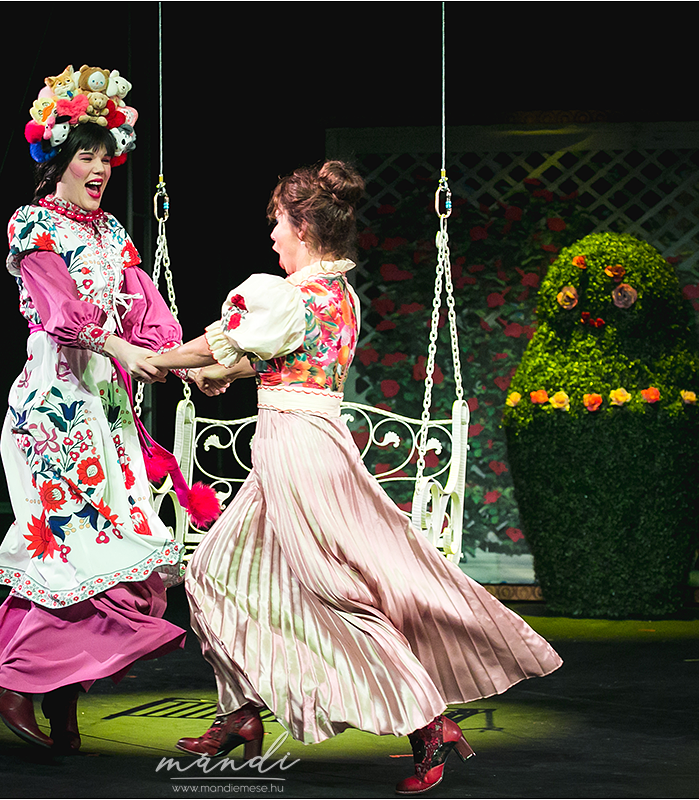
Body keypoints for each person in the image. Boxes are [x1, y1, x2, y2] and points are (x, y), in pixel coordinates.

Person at [148, 161, 563, 793]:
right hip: (297, 441)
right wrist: (220, 372)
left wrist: (155, 359)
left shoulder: (288, 296)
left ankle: (428, 723)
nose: (273, 235)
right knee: (210, 570)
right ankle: (240, 712)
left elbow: (219, 344)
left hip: (299, 448)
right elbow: (274, 359)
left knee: (333, 589)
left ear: (304, 227)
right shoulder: (337, 295)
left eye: (278, 223)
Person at [0, 65, 190, 755]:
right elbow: (62, 312)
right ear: (57, 159)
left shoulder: (113, 231)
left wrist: (187, 364)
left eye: (105, 155)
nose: (98, 168)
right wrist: (125, 350)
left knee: (115, 556)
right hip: (56, 406)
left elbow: (147, 312)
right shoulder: (33, 224)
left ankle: (62, 697)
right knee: (75, 550)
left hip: (107, 407)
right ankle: (14, 678)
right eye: (85, 155)